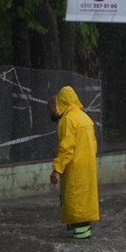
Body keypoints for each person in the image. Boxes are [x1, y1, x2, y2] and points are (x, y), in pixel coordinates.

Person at [48, 86, 99, 239]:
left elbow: (66, 148)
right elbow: (94, 145)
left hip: (74, 172)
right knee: (83, 209)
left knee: (76, 209)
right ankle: (83, 240)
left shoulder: (68, 120)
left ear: (60, 103)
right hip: (87, 170)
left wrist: (57, 169)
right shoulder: (85, 118)